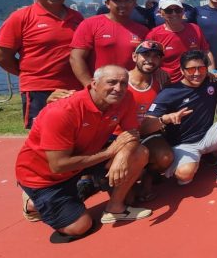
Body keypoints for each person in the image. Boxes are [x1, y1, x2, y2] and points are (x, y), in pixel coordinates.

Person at [16, 65, 151, 241]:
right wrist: (110, 152)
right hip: (45, 176)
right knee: (80, 227)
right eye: (111, 82)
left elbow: (131, 133)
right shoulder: (62, 111)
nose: (118, 88)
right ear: (94, 84)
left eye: (123, 83)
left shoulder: (125, 99)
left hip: (85, 159)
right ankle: (33, 203)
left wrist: (123, 156)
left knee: (139, 153)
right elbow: (58, 165)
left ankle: (115, 208)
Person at [0, 0, 84, 129]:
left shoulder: (77, 17)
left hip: (74, 87)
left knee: (76, 133)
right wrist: (30, 74)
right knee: (42, 137)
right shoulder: (20, 17)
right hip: (39, 90)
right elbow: (1, 57)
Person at [142, 50, 217, 185]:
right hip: (184, 144)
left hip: (208, 135)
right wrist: (165, 119)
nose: (197, 74)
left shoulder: (211, 82)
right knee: (184, 176)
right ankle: (182, 165)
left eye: (201, 68)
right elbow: (145, 126)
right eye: (191, 70)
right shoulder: (169, 93)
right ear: (182, 70)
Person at [70, 0, 148, 87]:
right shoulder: (90, 24)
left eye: (127, 1)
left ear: (133, 4)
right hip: (100, 89)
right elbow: (76, 57)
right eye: (117, 1)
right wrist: (89, 85)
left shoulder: (142, 30)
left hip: (130, 88)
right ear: (107, 4)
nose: (123, 5)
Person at [124, 40, 172, 201]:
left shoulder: (161, 80)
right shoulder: (120, 81)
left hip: (149, 133)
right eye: (145, 55)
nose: (150, 60)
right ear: (134, 56)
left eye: (156, 56)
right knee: (128, 200)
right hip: (122, 136)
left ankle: (147, 178)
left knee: (165, 157)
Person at [146, 0, 214, 82]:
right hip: (168, 84)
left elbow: (206, 52)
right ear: (160, 13)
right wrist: (156, 70)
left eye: (177, 10)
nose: (174, 14)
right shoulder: (154, 35)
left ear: (183, 11)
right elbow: (147, 59)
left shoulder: (195, 29)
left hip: (195, 82)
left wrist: (213, 71)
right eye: (168, 11)